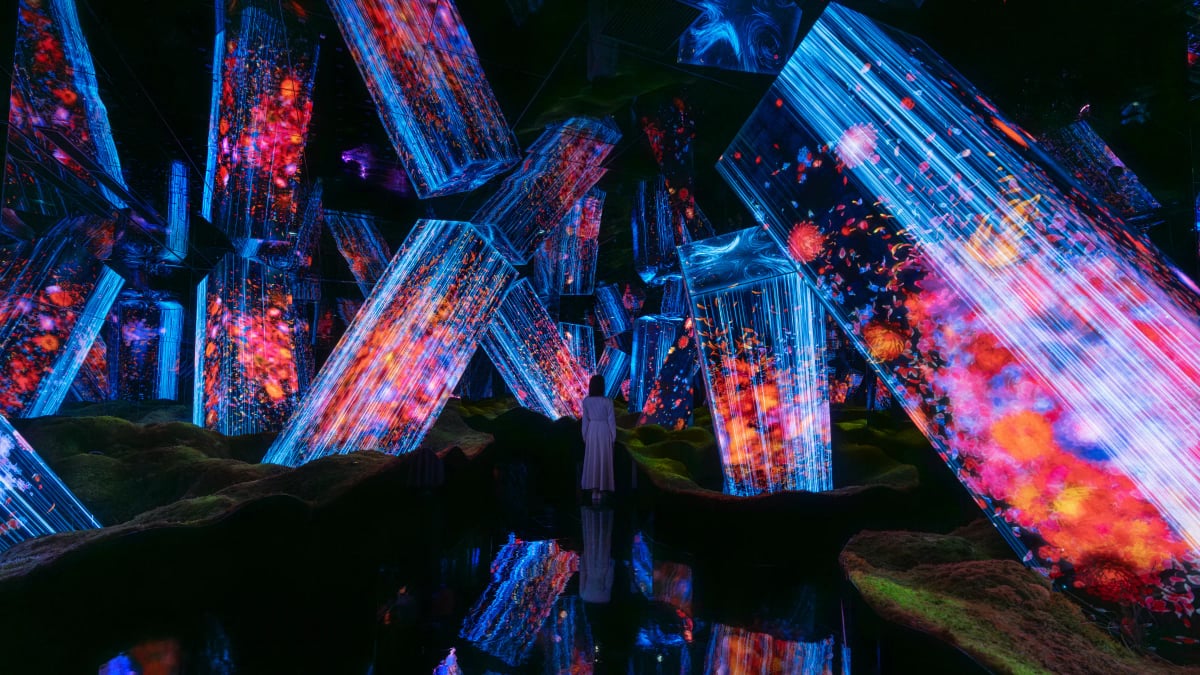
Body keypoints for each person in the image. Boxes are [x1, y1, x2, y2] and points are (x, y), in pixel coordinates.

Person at [580, 374, 616, 504]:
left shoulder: (587, 401)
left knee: (593, 459)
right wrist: (613, 437)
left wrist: (585, 436)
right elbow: (611, 422)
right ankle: (600, 490)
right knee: (603, 459)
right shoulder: (607, 402)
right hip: (604, 431)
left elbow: (585, 422)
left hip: (592, 431)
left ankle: (594, 491)